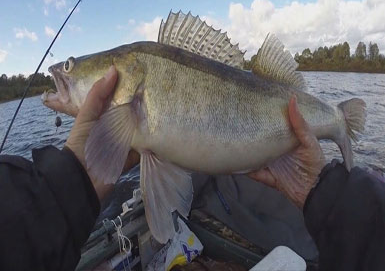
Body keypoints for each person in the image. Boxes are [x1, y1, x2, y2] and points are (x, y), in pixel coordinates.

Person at [0, 67, 384, 270]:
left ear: (116, 75)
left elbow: (94, 159)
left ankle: (336, 122)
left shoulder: (128, 102)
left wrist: (68, 181)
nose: (62, 72)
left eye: (70, 67)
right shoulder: (132, 116)